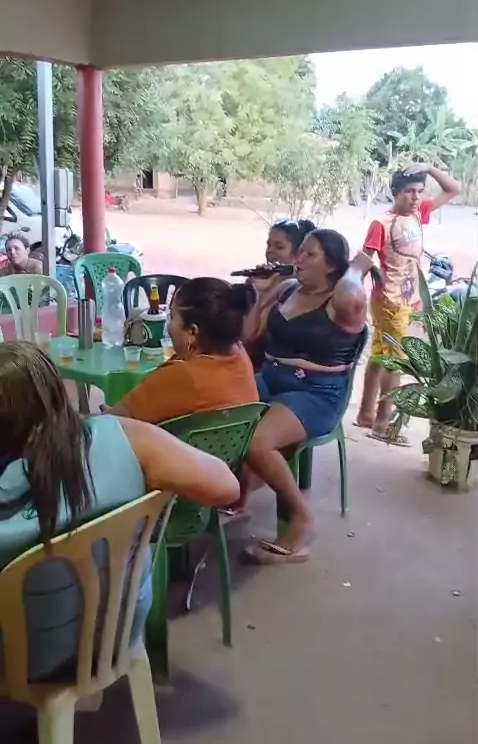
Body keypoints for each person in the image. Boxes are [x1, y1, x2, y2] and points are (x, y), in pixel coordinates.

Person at [0, 341, 240, 681]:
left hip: (23, 658)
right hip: (118, 631)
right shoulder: (124, 438)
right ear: (56, 391)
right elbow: (226, 486)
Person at [242, 229, 367, 565]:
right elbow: (249, 333)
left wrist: (357, 267)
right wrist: (261, 296)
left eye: (310, 255)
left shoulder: (344, 302)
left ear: (332, 266)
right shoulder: (286, 289)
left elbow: (351, 292)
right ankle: (237, 494)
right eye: (300, 253)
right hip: (270, 379)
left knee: (258, 442)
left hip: (315, 392)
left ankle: (301, 518)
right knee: (218, 409)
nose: (299, 260)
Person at [353, 162, 460, 445]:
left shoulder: (418, 213)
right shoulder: (382, 224)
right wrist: (350, 286)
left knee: (380, 355)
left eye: (419, 191)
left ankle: (366, 414)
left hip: (407, 300)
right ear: (395, 192)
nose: (415, 197)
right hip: (390, 301)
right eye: (409, 191)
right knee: (396, 362)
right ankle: (382, 425)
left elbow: (453, 189)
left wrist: (429, 168)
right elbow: (364, 259)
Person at [108, 277, 259, 423]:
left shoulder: (183, 376)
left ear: (192, 332)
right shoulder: (241, 357)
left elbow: (111, 421)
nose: (168, 325)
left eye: (172, 317)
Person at [244, 218, 315, 369]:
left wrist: (260, 295)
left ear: (299, 254)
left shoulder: (296, 291)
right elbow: (241, 333)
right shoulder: (261, 281)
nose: (270, 251)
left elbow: (252, 335)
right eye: (268, 245)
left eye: (279, 247)